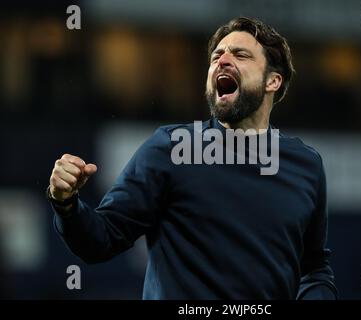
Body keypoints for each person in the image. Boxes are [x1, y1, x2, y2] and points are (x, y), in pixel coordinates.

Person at [47, 17, 337, 299]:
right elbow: (102, 239)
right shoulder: (170, 148)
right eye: (216, 56)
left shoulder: (306, 165)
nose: (222, 61)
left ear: (272, 81)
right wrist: (66, 203)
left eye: (240, 54)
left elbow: (313, 268)